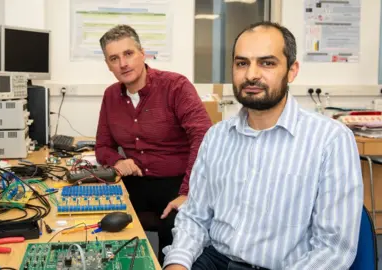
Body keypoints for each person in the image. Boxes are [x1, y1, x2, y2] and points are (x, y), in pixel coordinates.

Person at [163, 21, 363, 270]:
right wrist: (177, 263)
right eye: (242, 63)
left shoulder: (330, 140)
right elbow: (194, 217)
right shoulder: (216, 137)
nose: (251, 75)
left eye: (267, 63)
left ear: (292, 70)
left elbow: (333, 249)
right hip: (216, 260)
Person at [95, 24, 212, 264]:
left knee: (176, 242)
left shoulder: (175, 86)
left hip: (177, 182)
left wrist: (188, 192)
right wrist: (118, 160)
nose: (123, 64)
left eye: (128, 54)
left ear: (142, 53)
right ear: (108, 65)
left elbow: (204, 137)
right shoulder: (110, 96)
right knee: (99, 227)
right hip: (135, 184)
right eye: (114, 58)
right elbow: (102, 147)